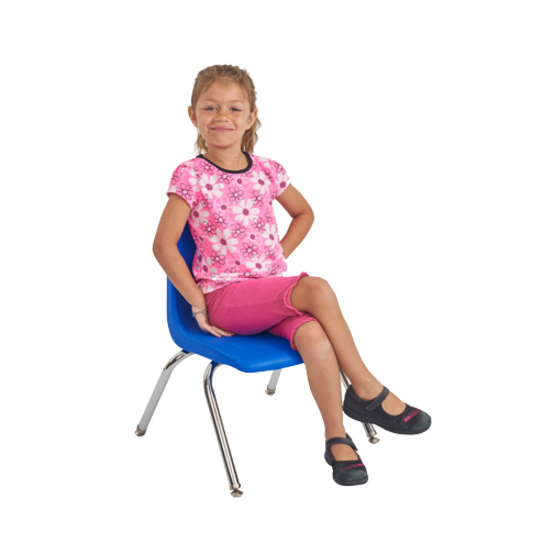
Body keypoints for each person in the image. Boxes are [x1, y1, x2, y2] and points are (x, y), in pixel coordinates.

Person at [153, 64, 431, 487]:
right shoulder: (191, 175)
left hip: (268, 295)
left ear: (251, 117)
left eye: (234, 108)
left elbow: (304, 213)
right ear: (193, 115)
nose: (222, 116)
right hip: (224, 299)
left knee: (315, 336)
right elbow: (163, 246)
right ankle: (368, 390)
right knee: (316, 288)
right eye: (210, 108)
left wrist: (274, 254)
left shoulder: (267, 170)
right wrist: (196, 304)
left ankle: (336, 438)